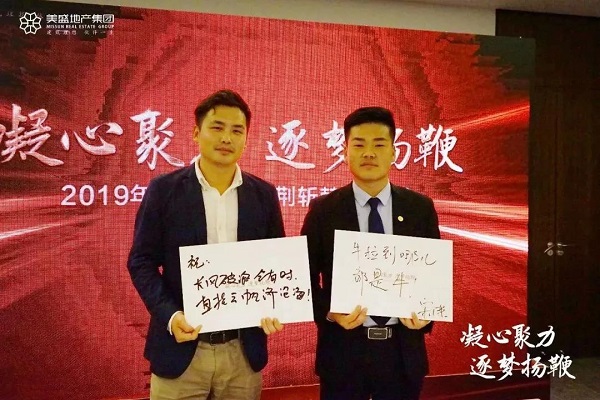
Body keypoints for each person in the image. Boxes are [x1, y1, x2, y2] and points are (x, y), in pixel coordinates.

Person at [128, 89, 285, 400]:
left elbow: (276, 263)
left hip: (243, 353)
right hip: (182, 349)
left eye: (237, 130)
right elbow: (141, 261)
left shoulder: (264, 195)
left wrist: (273, 305)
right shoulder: (163, 190)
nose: (227, 138)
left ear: (246, 139)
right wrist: (171, 315)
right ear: (196, 133)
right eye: (217, 127)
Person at [301, 106, 440, 400]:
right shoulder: (324, 210)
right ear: (345, 152)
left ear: (394, 152)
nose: (368, 154)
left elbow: (434, 278)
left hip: (402, 354)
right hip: (343, 353)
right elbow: (304, 279)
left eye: (379, 145)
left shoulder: (419, 208)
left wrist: (427, 315)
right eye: (359, 145)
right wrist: (330, 311)